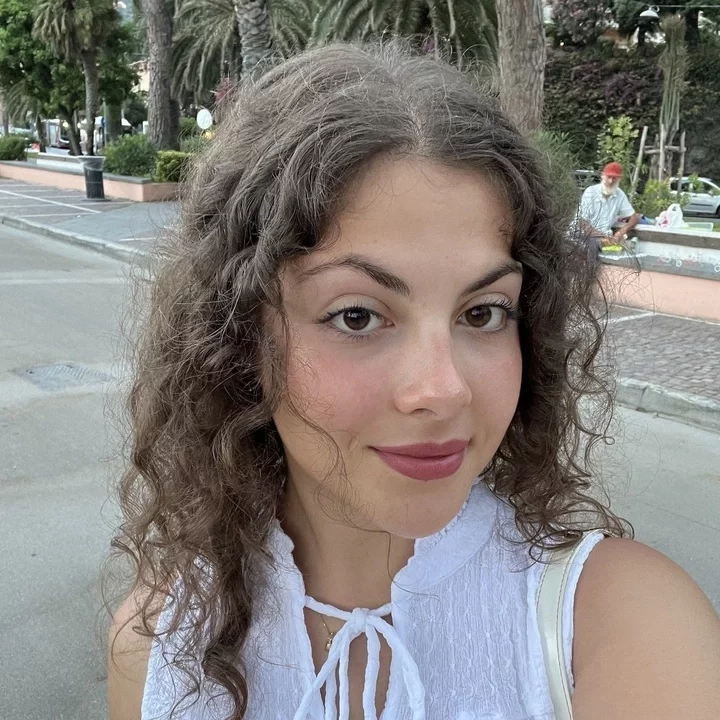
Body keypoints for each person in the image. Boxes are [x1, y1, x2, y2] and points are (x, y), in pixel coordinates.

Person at [107, 42, 720, 720]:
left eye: (483, 313)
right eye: (358, 316)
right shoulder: (160, 644)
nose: (444, 389)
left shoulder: (627, 628)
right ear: (238, 339)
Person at [576, 162, 640, 261]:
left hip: (604, 236)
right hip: (582, 234)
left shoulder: (620, 195)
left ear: (619, 179)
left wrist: (621, 232)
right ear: (603, 176)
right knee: (593, 245)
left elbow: (634, 217)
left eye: (614, 178)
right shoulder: (590, 192)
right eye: (608, 177)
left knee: (626, 248)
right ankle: (591, 271)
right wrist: (602, 236)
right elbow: (582, 223)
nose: (610, 181)